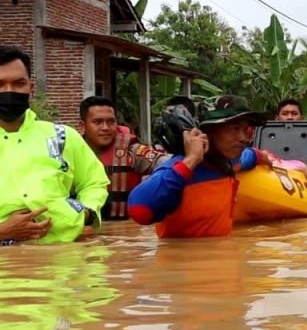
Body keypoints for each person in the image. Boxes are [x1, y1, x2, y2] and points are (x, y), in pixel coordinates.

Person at [0, 46, 108, 245]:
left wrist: (86, 214)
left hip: (62, 262)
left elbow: (95, 182)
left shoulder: (62, 136)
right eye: (0, 84)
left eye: (18, 83)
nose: (9, 91)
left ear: (31, 88)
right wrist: (3, 231)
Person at [127, 95, 271, 239]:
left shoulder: (229, 161)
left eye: (247, 130)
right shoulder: (179, 168)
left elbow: (247, 157)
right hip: (184, 260)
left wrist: (260, 156)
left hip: (223, 256)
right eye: (234, 129)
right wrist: (191, 160)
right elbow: (139, 211)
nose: (243, 138)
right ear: (207, 132)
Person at [79, 96, 170, 220]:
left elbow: (166, 164)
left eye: (111, 122)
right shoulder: (68, 152)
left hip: (125, 228)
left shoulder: (132, 150)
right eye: (97, 122)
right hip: (83, 227)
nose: (105, 128)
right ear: (83, 126)